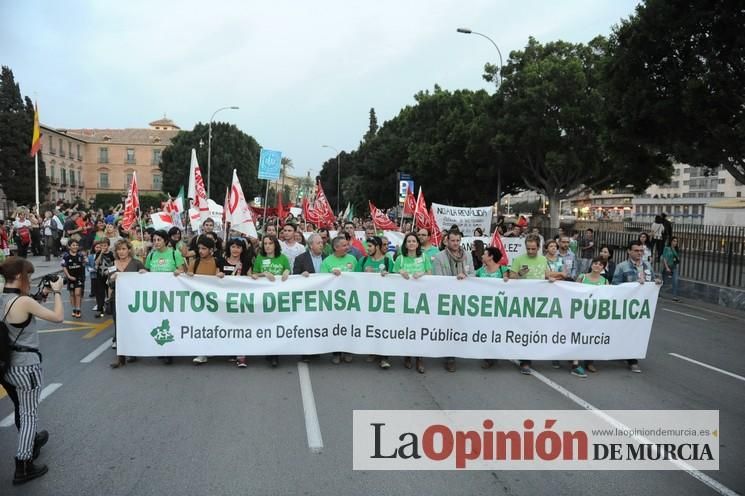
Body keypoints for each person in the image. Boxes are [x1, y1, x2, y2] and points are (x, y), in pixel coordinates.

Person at [1, 257, 64, 484]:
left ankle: (31, 442)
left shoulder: (3, 298)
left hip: (6, 366)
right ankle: (24, 465)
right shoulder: (23, 302)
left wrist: (43, 293)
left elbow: (22, 312)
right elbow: (57, 317)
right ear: (19, 276)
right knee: (29, 415)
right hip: (26, 366)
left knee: (20, 408)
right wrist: (57, 292)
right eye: (27, 274)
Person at [612, 240, 662, 373]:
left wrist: (655, 282)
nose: (639, 253)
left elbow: (651, 281)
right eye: (636, 250)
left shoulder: (647, 266)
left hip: (640, 308)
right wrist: (634, 284)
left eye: (641, 251)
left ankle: (633, 360)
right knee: (624, 330)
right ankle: (623, 353)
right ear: (629, 251)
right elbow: (615, 285)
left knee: (636, 332)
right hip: (626, 306)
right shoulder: (622, 266)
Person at [432, 229, 474, 372]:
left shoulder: (467, 255)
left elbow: (472, 273)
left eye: (458, 240)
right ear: (447, 241)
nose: (455, 243)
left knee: (459, 325)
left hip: (463, 297)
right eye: (453, 240)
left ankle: (457, 350)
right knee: (448, 326)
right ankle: (450, 357)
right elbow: (438, 278)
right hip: (446, 297)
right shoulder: (439, 257)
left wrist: (466, 275)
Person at [508, 234, 548, 375]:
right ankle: (525, 361)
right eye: (528, 248)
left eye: (533, 249)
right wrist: (519, 273)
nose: (530, 251)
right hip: (522, 300)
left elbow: (547, 275)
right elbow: (511, 276)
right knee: (523, 328)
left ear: (538, 247)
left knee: (534, 329)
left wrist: (554, 278)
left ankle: (527, 357)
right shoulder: (519, 259)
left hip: (538, 301)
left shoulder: (543, 259)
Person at [393, 232, 432, 374]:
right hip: (404, 301)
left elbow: (430, 274)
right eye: (408, 241)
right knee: (407, 328)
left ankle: (419, 358)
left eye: (413, 241)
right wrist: (399, 273)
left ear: (417, 243)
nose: (411, 243)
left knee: (420, 328)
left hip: (421, 300)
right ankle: (407, 355)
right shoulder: (400, 259)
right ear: (405, 244)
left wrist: (422, 274)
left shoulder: (424, 257)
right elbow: (391, 277)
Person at [252, 235, 290, 368]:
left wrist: (286, 271)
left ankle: (275, 354)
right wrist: (264, 274)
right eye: (265, 243)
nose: (267, 246)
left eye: (270, 243)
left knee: (277, 324)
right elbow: (253, 275)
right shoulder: (260, 258)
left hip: (279, 298)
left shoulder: (283, 258)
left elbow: (288, 271)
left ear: (275, 245)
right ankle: (269, 350)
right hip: (264, 298)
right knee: (267, 324)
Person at [187, 236, 225, 365]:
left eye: (204, 248)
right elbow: (186, 278)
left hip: (213, 300)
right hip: (198, 301)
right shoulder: (195, 263)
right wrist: (186, 275)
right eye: (199, 248)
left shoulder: (217, 262)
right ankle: (202, 352)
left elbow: (222, 277)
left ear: (211, 250)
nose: (201, 251)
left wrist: (220, 276)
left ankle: (212, 348)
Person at [109, 240, 146, 368]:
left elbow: (147, 281)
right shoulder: (113, 264)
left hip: (133, 300)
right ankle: (120, 357)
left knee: (133, 325)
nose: (121, 252)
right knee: (119, 326)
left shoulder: (137, 263)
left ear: (129, 250)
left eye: (124, 249)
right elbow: (109, 283)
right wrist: (112, 279)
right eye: (119, 249)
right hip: (117, 299)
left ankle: (133, 351)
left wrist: (143, 274)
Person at [321, 236, 358, 364]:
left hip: (351, 299)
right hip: (334, 301)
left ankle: (348, 350)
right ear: (336, 248)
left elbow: (359, 277)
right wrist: (331, 276)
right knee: (335, 326)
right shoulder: (327, 261)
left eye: (347, 245)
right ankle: (336, 352)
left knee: (349, 325)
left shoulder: (353, 259)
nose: (347, 247)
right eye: (344, 245)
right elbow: (321, 280)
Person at [476, 246, 510, 370]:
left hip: (499, 306)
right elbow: (471, 280)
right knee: (486, 330)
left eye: (484, 254)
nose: (482, 256)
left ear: (490, 256)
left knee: (496, 330)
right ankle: (488, 356)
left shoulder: (503, 269)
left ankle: (493, 355)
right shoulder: (481, 270)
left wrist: (508, 280)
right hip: (484, 306)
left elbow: (511, 284)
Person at [576, 256, 610, 374]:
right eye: (595, 263)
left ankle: (589, 362)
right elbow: (573, 293)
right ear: (591, 264)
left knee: (592, 337)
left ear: (603, 268)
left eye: (600, 264)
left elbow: (607, 297)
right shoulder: (582, 277)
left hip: (595, 314)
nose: (597, 266)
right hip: (581, 312)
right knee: (579, 336)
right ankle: (575, 360)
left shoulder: (605, 281)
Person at [61, 239, 85, 318]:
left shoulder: (80, 255)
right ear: (69, 246)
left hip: (79, 277)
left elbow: (84, 264)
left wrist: (86, 260)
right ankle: (74, 309)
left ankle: (78, 309)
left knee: (77, 294)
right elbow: (64, 267)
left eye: (77, 245)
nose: (75, 247)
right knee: (72, 294)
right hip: (70, 278)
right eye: (73, 245)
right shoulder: (66, 256)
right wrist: (68, 276)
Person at [661, 237, 681, 302]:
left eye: (676, 241)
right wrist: (667, 267)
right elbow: (664, 258)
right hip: (666, 267)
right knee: (664, 282)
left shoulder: (676, 249)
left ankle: (674, 296)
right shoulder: (666, 248)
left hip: (674, 267)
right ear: (671, 241)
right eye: (674, 241)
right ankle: (657, 292)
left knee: (675, 281)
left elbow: (677, 258)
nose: (675, 242)